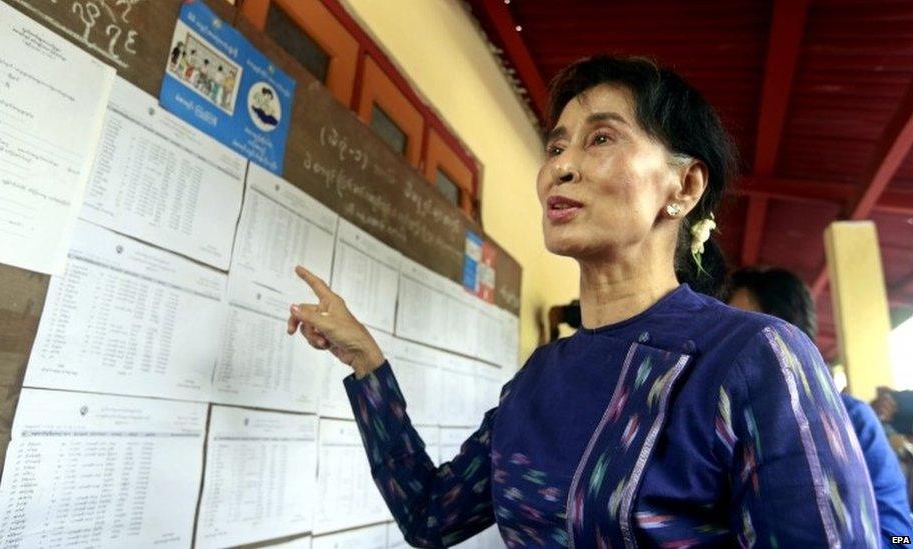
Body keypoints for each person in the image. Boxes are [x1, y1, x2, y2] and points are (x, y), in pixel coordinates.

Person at [287, 55, 878, 547]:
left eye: (600, 138)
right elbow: (430, 516)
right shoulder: (538, 379)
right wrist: (368, 364)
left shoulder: (755, 358)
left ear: (685, 186)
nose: (560, 167)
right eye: (555, 147)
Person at [728, 266, 913, 546]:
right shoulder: (724, 427)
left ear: (795, 339)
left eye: (744, 333)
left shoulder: (853, 420)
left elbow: (902, 538)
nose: (728, 349)